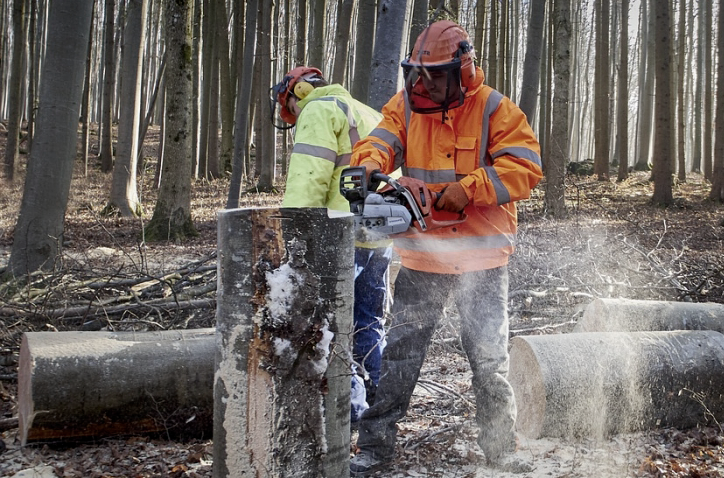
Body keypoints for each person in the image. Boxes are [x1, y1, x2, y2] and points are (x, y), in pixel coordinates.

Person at [348, 21, 543, 475]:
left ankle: (501, 449)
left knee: (489, 361)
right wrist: (371, 169)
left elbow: (526, 166)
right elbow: (379, 140)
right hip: (424, 257)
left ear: (462, 68)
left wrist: (470, 188)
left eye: (435, 73)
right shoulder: (407, 107)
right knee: (399, 355)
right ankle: (375, 446)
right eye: (419, 72)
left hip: (482, 260)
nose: (426, 82)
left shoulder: (494, 108)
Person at [270, 66, 393, 423]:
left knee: (331, 324)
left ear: (301, 92)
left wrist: (295, 236)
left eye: (292, 104)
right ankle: (381, 402)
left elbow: (309, 179)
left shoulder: (319, 110)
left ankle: (351, 412)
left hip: (339, 235)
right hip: (380, 235)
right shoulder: (368, 112)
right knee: (369, 320)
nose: (295, 112)